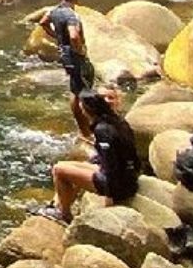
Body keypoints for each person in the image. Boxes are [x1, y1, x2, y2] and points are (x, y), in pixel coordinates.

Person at [47, 88, 139, 221]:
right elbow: (131, 157)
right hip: (128, 178)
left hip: (117, 185)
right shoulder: (119, 122)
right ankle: (58, 204)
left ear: (86, 110)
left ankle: (63, 214)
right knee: (70, 165)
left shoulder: (102, 130)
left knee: (58, 170)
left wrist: (110, 197)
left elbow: (111, 166)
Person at [38, 0, 96, 139]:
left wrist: (57, 36)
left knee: (76, 90)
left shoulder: (53, 11)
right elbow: (74, 35)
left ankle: (84, 128)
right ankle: (86, 131)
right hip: (74, 56)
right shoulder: (71, 15)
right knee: (85, 91)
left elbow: (43, 22)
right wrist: (79, 49)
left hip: (64, 54)